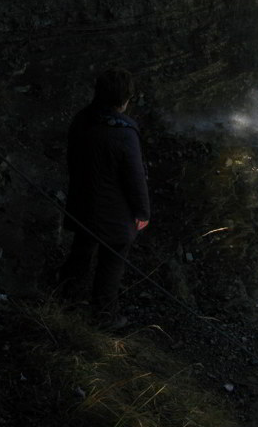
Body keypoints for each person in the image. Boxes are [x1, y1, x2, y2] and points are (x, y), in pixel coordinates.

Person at [59, 66, 150, 328]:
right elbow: (135, 179)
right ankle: (105, 315)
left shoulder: (82, 119)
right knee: (112, 261)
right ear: (125, 100)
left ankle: (66, 298)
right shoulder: (123, 134)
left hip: (83, 201)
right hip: (113, 212)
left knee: (82, 249)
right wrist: (143, 213)